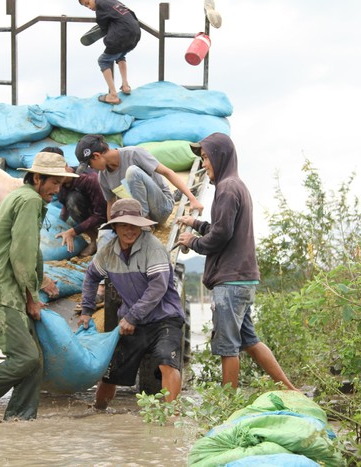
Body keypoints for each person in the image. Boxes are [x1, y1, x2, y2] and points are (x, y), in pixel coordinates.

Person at [0, 152, 78, 420]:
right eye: (54, 183)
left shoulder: (20, 197)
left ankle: (19, 423)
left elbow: (30, 250)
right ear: (37, 178)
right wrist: (31, 298)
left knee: (34, 361)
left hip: (8, 286)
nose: (57, 191)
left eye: (60, 184)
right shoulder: (29, 200)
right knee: (25, 358)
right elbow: (21, 254)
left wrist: (39, 284)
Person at [176, 133, 298, 391]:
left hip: (230, 281)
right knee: (249, 341)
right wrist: (196, 224)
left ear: (220, 157)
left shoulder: (227, 188)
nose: (205, 164)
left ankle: (227, 406)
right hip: (241, 278)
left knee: (227, 346)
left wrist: (192, 242)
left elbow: (221, 234)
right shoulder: (235, 185)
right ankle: (291, 390)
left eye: (207, 158)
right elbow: (221, 227)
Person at [78, 198, 186, 409]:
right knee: (112, 371)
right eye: (124, 225)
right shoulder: (108, 252)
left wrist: (132, 317)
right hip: (133, 322)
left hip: (164, 319)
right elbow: (91, 277)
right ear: (115, 227)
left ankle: (174, 416)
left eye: (134, 225)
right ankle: (98, 411)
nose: (130, 230)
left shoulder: (153, 248)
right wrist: (86, 310)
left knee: (166, 360)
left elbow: (158, 287)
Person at [75, 134, 204, 223]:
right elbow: (111, 204)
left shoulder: (133, 154)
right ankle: (141, 220)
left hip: (161, 208)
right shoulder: (103, 177)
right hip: (136, 213)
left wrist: (192, 199)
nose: (91, 168)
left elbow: (167, 172)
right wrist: (111, 228)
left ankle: (144, 220)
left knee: (132, 172)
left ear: (97, 156)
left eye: (90, 164)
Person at [46, 146, 107, 257]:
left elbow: (101, 214)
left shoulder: (88, 178)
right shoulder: (61, 184)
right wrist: (60, 224)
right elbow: (65, 205)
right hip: (87, 213)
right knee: (70, 202)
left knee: (73, 200)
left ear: (65, 165)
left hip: (106, 215)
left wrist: (73, 232)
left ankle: (95, 239)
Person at [79, 0, 141, 105]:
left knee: (103, 61)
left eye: (88, 3)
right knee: (120, 55)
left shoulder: (100, 8)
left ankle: (113, 95)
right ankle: (125, 86)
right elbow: (131, 12)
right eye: (86, 6)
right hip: (135, 33)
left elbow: (103, 27)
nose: (89, 7)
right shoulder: (113, 2)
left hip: (121, 35)